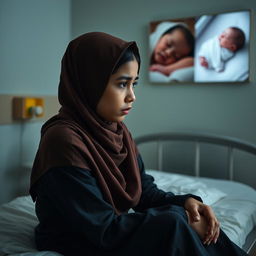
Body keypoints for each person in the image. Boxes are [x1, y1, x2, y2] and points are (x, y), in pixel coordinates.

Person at [29, 32, 248, 256]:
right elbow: (101, 229)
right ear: (90, 82)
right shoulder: (64, 139)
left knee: (186, 217)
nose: (132, 96)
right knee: (172, 224)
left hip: (108, 228)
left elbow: (145, 194)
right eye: (122, 84)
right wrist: (176, 216)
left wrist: (188, 203)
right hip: (77, 239)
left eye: (133, 84)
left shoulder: (118, 131)